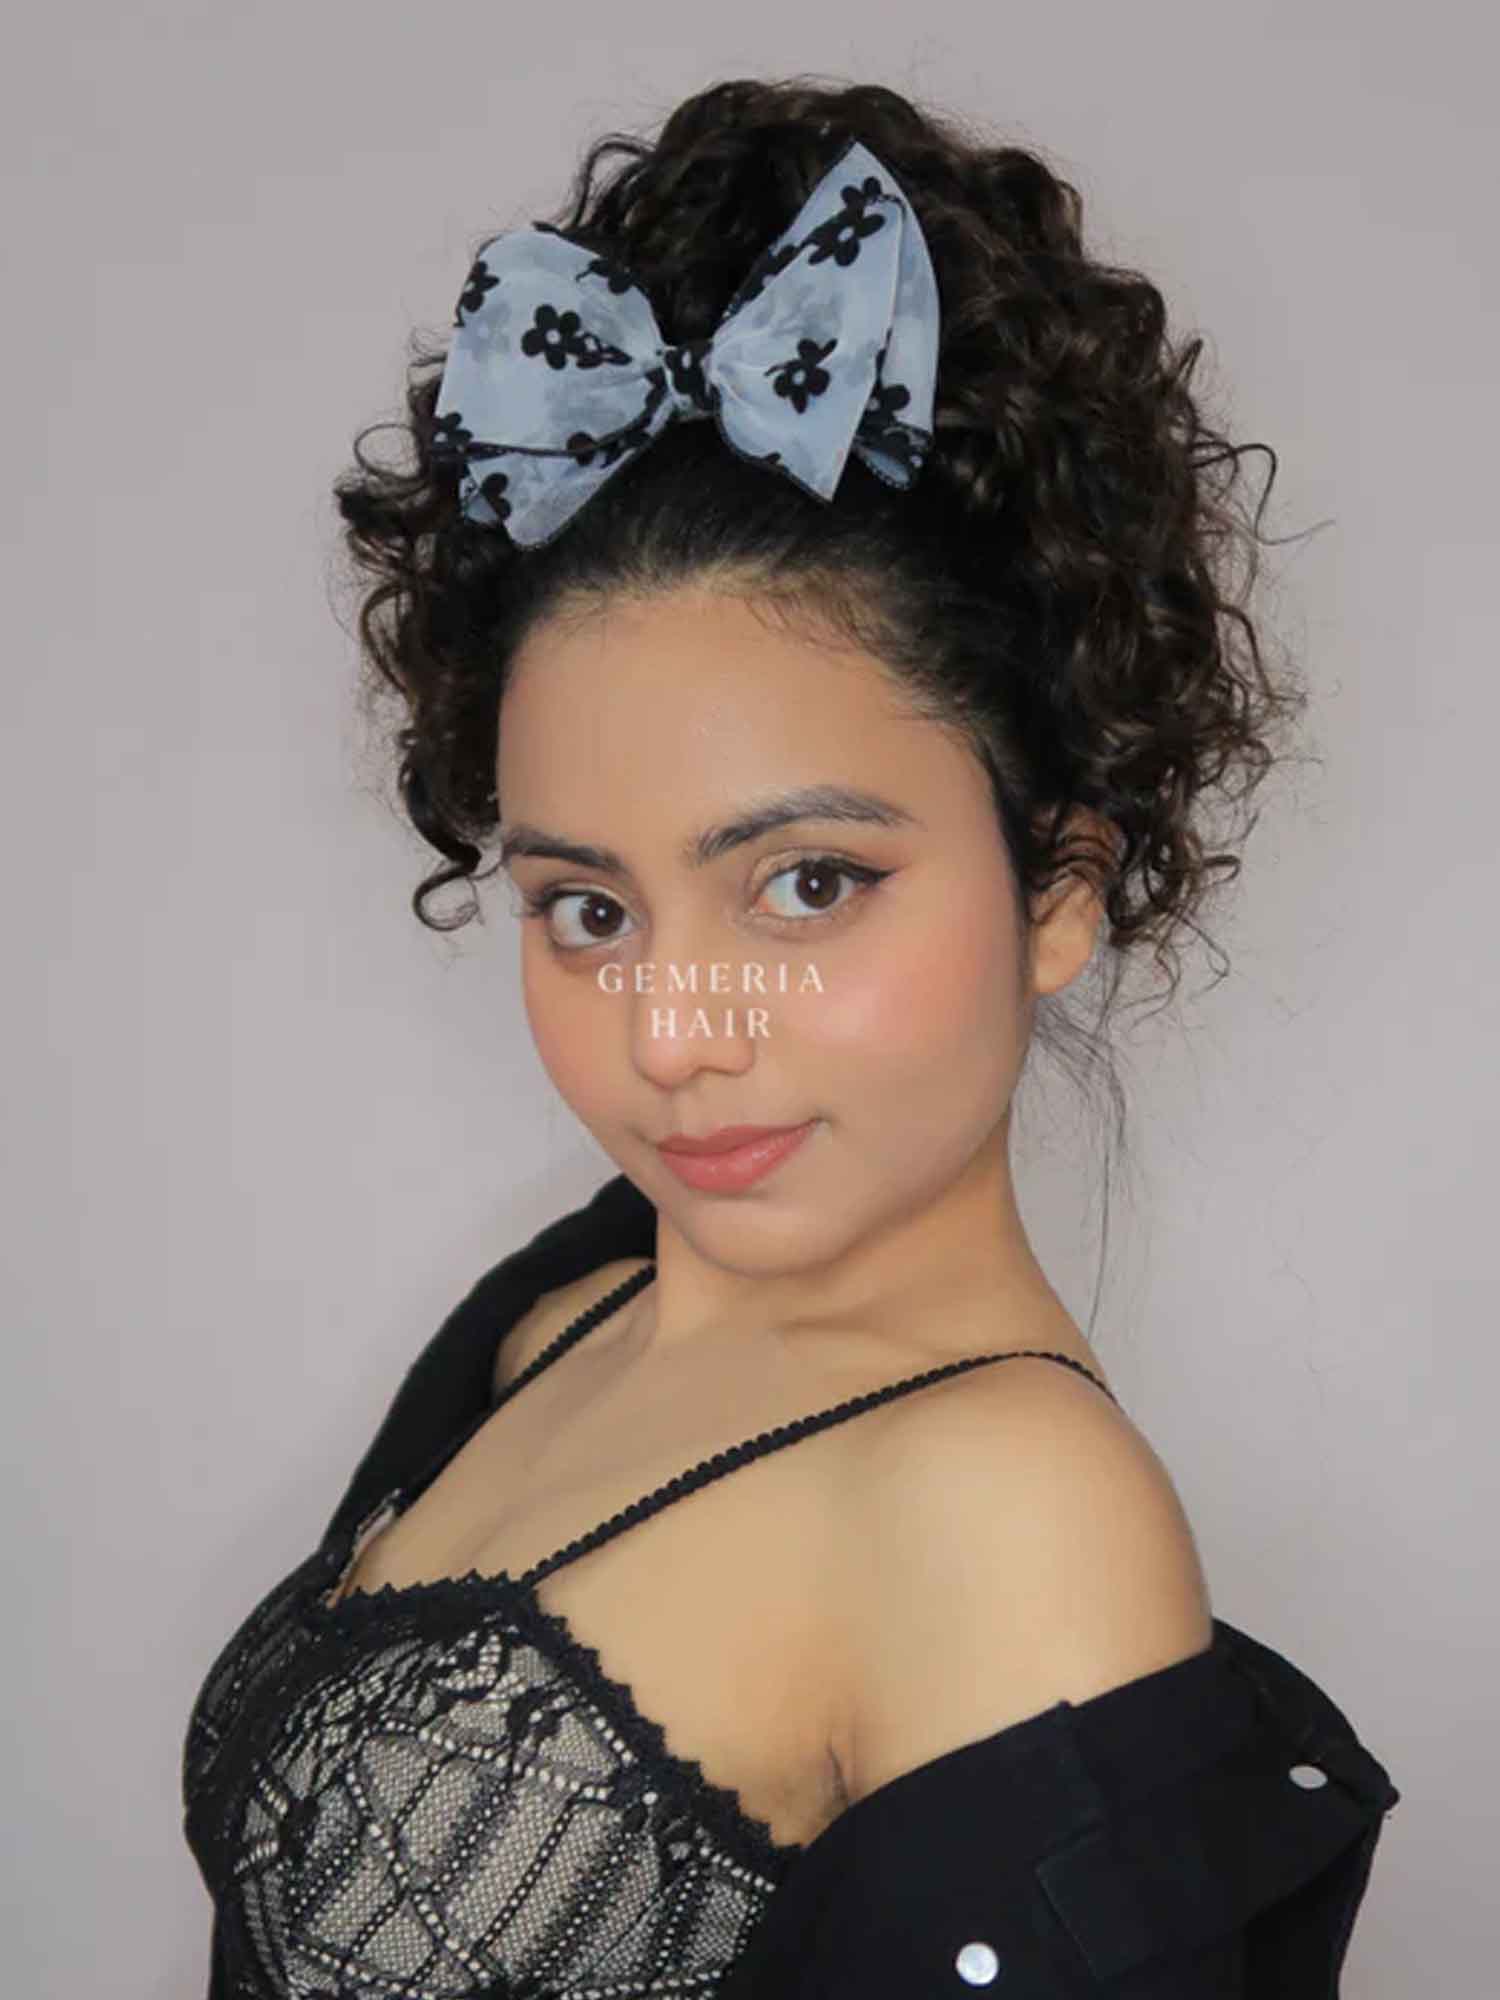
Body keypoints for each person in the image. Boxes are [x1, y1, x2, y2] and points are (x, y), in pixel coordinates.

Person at [180, 76, 1399, 1997]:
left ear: (1061, 887)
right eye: (590, 911)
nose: (675, 1039)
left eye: (808, 884)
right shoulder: (571, 1302)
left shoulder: (1009, 1515)